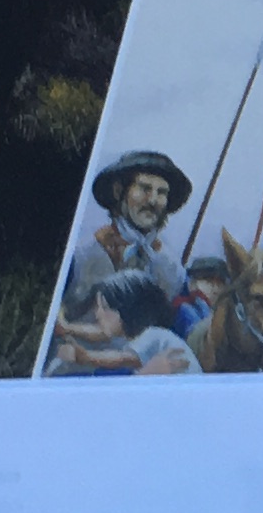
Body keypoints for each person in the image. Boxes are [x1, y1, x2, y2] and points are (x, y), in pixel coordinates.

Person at [49, 151, 207, 374]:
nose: (152, 201)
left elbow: (184, 328)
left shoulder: (171, 269)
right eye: (144, 188)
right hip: (76, 376)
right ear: (118, 191)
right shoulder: (81, 256)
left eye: (161, 193)